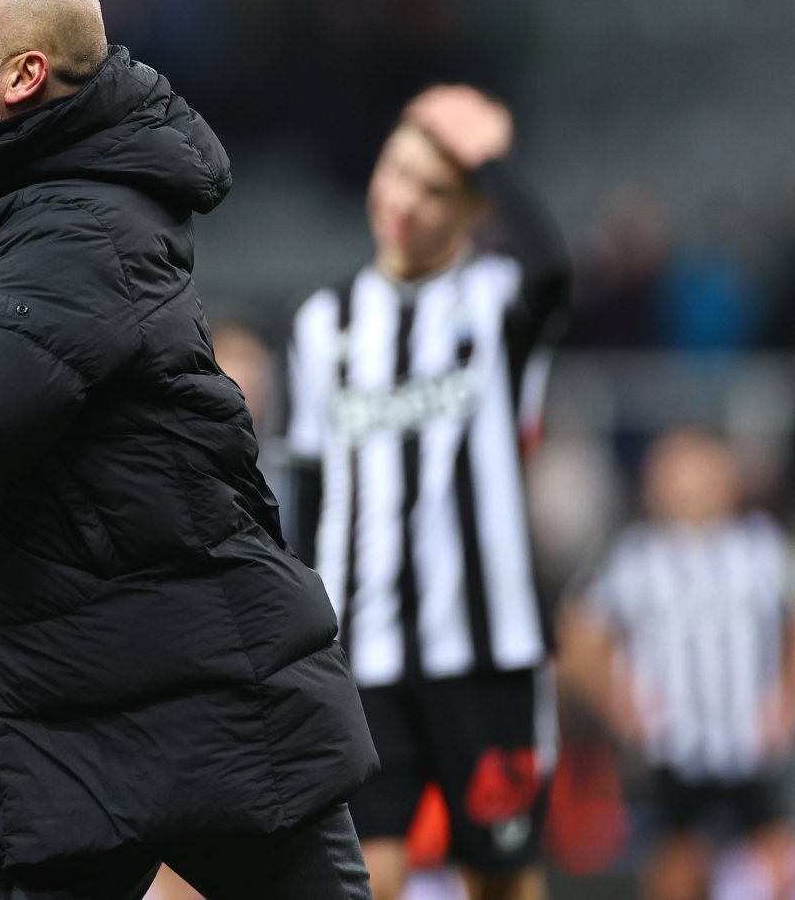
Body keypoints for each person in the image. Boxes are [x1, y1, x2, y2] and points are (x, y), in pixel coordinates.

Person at [0, 0, 376, 899]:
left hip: (189, 692)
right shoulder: (27, 196)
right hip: (96, 692)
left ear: (23, 78)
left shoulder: (76, 230)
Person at [286, 84, 572, 900]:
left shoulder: (498, 302)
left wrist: (487, 154)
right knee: (369, 871)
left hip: (488, 654)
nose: (404, 201)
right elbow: (307, 489)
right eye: (398, 173)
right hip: (362, 653)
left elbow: (554, 266)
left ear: (475, 206)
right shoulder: (323, 324)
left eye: (436, 188)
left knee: (501, 872)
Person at [560, 429, 795, 900]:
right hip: (675, 743)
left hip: (751, 740)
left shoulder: (761, 548)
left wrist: (787, 694)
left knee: (771, 855)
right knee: (677, 859)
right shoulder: (636, 557)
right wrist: (618, 699)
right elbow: (578, 634)